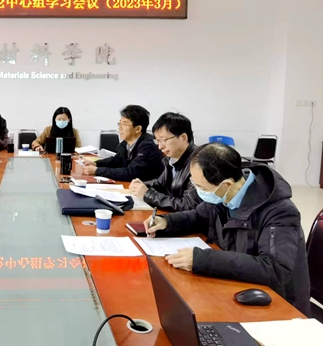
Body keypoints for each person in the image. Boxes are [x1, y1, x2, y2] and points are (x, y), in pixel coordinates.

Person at [144, 143, 310, 315]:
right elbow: (199, 216)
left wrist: (202, 260)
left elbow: (276, 269)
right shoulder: (223, 194)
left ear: (227, 185)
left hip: (276, 305)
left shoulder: (280, 212)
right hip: (234, 285)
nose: (197, 192)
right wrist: (166, 222)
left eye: (201, 187)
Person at [129, 112, 201, 211]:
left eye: (164, 140)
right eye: (158, 141)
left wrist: (147, 194)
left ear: (183, 138)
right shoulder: (171, 159)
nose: (160, 146)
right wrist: (142, 185)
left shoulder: (199, 163)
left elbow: (188, 205)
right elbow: (161, 184)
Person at [82, 105, 163, 182]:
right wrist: (96, 164)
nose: (120, 127)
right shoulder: (126, 143)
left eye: (124, 124)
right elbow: (116, 160)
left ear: (138, 129)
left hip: (148, 188)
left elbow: (131, 173)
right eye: (119, 123)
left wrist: (97, 170)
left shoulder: (148, 146)